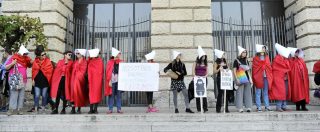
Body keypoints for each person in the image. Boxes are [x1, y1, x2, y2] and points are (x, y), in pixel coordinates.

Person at [6, 45, 32, 115]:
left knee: (21, 95)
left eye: (26, 54)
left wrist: (31, 62)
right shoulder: (13, 57)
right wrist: (12, 63)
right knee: (14, 94)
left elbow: (30, 65)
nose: (25, 55)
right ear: (21, 53)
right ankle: (11, 109)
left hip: (23, 80)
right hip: (15, 79)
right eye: (24, 53)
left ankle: (20, 109)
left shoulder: (26, 59)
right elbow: (6, 68)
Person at [269, 44, 292, 112]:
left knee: (285, 92)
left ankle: (284, 106)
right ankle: (278, 106)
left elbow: (287, 67)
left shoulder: (284, 59)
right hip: (279, 78)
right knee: (280, 92)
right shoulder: (277, 59)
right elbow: (281, 68)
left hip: (285, 77)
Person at [32, 45, 54, 113]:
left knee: (44, 95)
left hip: (45, 81)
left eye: (45, 54)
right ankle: (36, 107)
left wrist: (42, 69)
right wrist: (33, 80)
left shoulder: (48, 61)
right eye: (42, 55)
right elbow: (33, 71)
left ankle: (43, 107)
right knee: (37, 95)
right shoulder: (35, 62)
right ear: (39, 56)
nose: (44, 55)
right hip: (37, 81)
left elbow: (50, 70)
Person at [252, 44, 273, 112]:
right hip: (259, 77)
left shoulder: (267, 57)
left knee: (265, 92)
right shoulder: (255, 58)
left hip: (266, 76)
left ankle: (267, 106)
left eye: (264, 48)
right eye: (262, 48)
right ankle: (259, 107)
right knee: (258, 92)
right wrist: (262, 65)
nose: (264, 49)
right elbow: (255, 68)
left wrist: (265, 67)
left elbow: (269, 66)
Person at [233, 46, 253, 113]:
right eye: (243, 52)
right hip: (240, 79)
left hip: (247, 79)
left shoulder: (246, 61)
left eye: (245, 52)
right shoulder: (236, 60)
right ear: (240, 53)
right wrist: (236, 79)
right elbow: (234, 70)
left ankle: (248, 107)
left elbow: (248, 71)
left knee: (248, 93)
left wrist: (250, 79)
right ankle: (240, 107)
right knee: (239, 93)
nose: (245, 53)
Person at [70, 49, 89, 114]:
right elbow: (72, 70)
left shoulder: (85, 62)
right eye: (77, 53)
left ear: (82, 54)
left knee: (79, 93)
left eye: (78, 53)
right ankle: (73, 108)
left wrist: (78, 75)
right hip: (74, 79)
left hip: (80, 80)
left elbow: (83, 71)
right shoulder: (75, 62)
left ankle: (79, 108)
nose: (77, 54)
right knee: (73, 93)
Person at [105, 48, 123, 114]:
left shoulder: (121, 62)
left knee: (119, 95)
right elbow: (107, 72)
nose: (119, 55)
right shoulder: (110, 62)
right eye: (118, 53)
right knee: (111, 95)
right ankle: (110, 109)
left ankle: (119, 109)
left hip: (119, 81)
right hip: (112, 81)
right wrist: (109, 80)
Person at [213, 49, 231, 113]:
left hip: (225, 79)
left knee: (226, 93)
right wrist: (219, 68)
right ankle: (218, 109)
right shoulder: (216, 62)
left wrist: (228, 68)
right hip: (219, 78)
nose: (224, 55)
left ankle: (226, 108)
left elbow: (228, 69)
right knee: (220, 93)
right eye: (223, 54)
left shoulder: (225, 60)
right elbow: (214, 71)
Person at [192, 46, 208, 112]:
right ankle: (199, 107)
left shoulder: (205, 63)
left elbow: (207, 72)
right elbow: (193, 71)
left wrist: (205, 76)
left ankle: (205, 107)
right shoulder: (195, 63)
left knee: (204, 93)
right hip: (197, 79)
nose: (204, 58)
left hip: (204, 79)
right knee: (198, 93)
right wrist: (195, 76)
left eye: (205, 56)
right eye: (203, 56)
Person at [87, 49, 103, 114]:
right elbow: (88, 70)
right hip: (91, 80)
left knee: (97, 94)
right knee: (91, 94)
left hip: (97, 81)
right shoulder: (90, 61)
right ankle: (91, 109)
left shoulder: (100, 61)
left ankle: (95, 109)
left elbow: (100, 71)